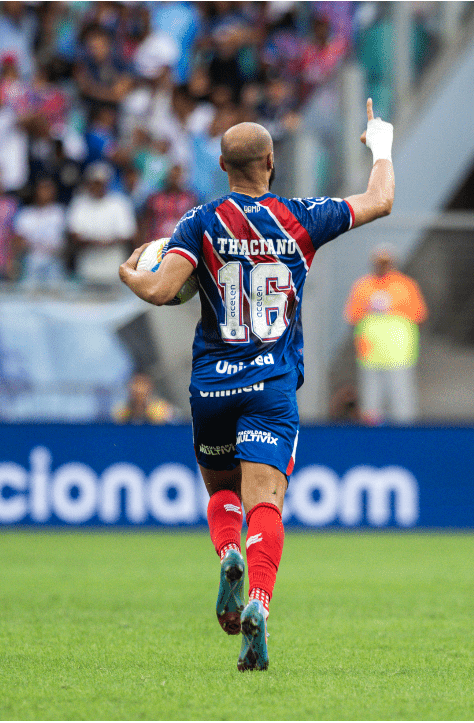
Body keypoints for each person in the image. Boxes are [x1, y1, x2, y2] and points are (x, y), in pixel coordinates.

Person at [119, 98, 394, 671]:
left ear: (222, 168)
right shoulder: (302, 217)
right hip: (271, 385)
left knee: (221, 492)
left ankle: (228, 554)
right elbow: (379, 200)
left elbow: (161, 291)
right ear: (271, 161)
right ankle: (260, 606)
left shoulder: (198, 223)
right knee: (266, 500)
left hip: (212, 386)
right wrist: (382, 145)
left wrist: (131, 274)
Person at [344, 245, 428, 424]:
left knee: (402, 403)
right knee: (371, 405)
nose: (383, 267)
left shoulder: (406, 285)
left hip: (399, 355)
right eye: (379, 263)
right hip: (370, 355)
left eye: (386, 263)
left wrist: (393, 309)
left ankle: (404, 442)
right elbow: (352, 315)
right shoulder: (363, 285)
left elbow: (419, 313)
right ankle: (373, 444)